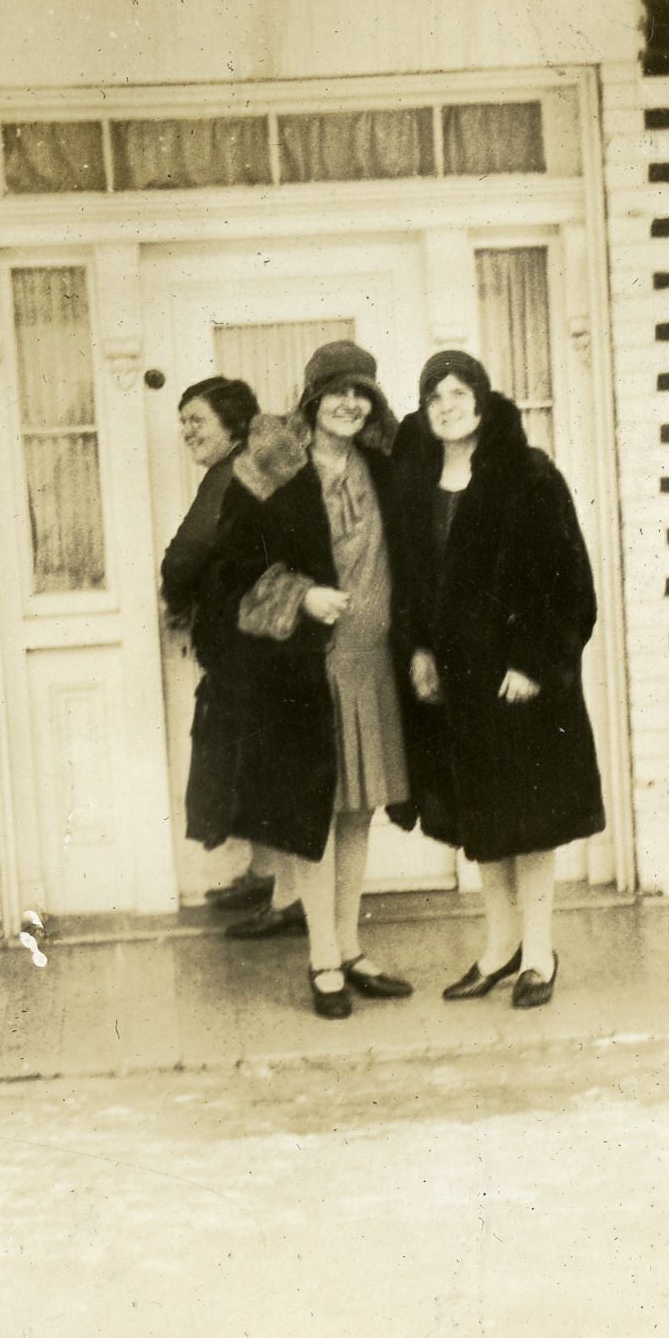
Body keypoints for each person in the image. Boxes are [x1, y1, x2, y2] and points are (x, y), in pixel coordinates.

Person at [199, 341, 419, 1020]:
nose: (350, 403)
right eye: (337, 392)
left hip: (371, 665)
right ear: (313, 399)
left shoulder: (380, 468)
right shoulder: (271, 470)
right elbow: (228, 573)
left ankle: (350, 948)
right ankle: (322, 957)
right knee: (314, 813)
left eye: (362, 393)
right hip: (305, 670)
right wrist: (300, 596)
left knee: (358, 808)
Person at [391, 349, 604, 1009]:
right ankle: (498, 947)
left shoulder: (528, 474)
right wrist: (418, 650)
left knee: (529, 818)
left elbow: (569, 584)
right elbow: (413, 584)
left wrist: (534, 664)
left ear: (481, 400)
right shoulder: (419, 478)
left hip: (519, 685)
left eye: (456, 393)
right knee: (482, 817)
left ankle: (538, 953)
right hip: (457, 685)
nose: (445, 406)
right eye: (433, 397)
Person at [160, 376, 303, 939]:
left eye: (196, 419)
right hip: (259, 643)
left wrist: (176, 597)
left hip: (258, 649)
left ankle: (288, 899)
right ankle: (268, 876)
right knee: (257, 767)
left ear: (233, 424)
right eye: (182, 422)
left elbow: (185, 555)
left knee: (268, 769)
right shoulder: (248, 468)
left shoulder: (230, 475)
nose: (187, 431)